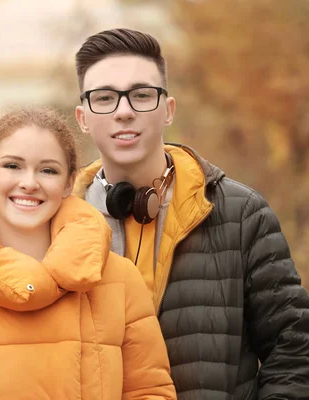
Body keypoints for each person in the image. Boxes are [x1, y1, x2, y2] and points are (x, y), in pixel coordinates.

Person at [73, 28, 309, 399]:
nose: (124, 112)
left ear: (168, 110)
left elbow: (295, 347)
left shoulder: (241, 213)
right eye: (104, 98)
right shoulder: (58, 222)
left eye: (141, 95)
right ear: (83, 117)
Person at [0, 107, 177, 400]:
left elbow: (149, 391)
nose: (29, 183)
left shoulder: (119, 280)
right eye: (12, 166)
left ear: (68, 182)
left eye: (48, 170)